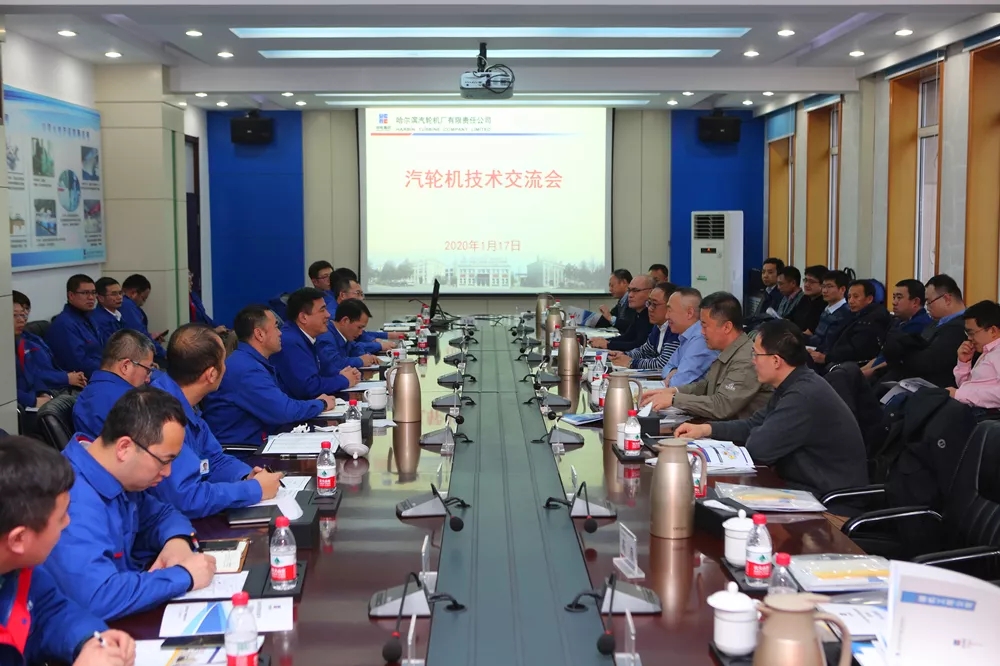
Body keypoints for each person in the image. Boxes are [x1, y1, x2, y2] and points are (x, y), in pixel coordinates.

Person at [41, 387, 217, 621]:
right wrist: (184, 575)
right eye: (163, 461)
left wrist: (177, 541)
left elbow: (162, 514)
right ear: (124, 448)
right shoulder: (71, 499)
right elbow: (98, 596)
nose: (167, 472)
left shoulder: (116, 474)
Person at [676, 319, 868, 504]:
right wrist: (706, 429)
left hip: (829, 502)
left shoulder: (802, 395)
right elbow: (753, 424)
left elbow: (759, 449)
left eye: (756, 354)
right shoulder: (793, 383)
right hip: (802, 489)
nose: (752, 361)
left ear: (776, 360)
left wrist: (759, 432)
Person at [0, 436, 137, 666]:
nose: (68, 523)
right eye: (61, 516)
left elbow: (52, 611)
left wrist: (91, 639)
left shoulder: (21, 566)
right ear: (19, 539)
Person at [150, 324, 284, 518]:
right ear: (211, 374)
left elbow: (214, 459)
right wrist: (253, 490)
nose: (226, 367)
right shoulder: (160, 414)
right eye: (224, 360)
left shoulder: (181, 399)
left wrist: (246, 476)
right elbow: (186, 498)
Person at [202, 305, 337, 446]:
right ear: (259, 334)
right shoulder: (246, 369)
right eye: (276, 327)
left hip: (262, 441)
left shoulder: (250, 361)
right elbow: (284, 411)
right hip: (244, 451)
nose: (280, 333)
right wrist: (321, 404)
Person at [641, 292, 771, 419]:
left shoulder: (746, 359)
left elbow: (722, 406)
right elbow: (706, 386)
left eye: (705, 326)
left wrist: (675, 399)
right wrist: (675, 391)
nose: (702, 332)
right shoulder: (727, 351)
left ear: (726, 327)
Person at [881, 274, 967, 388]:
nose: (927, 307)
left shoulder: (961, 327)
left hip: (936, 387)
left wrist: (902, 354)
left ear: (947, 299)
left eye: (929, 302)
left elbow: (928, 362)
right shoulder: (936, 323)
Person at [271, 288, 361, 398]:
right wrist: (344, 380)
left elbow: (325, 368)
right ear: (303, 317)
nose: (328, 315)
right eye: (322, 310)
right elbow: (307, 387)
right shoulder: (289, 342)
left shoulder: (308, 336)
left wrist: (341, 373)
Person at [73, 331, 155, 438]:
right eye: (147, 370)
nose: (148, 379)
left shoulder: (91, 392)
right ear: (126, 366)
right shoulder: (127, 402)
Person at [809, 279, 891, 369]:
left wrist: (826, 358)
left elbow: (856, 350)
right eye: (849, 297)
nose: (851, 301)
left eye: (856, 297)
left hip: (853, 366)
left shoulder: (872, 320)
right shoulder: (855, 315)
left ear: (869, 299)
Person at [861, 279, 933, 379]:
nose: (894, 302)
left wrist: (866, 373)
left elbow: (894, 360)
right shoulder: (898, 321)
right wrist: (860, 371)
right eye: (894, 297)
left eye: (899, 298)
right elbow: (882, 355)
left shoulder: (920, 325)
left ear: (915, 302)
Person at [607, 282, 679, 370]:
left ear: (670, 306)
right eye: (649, 303)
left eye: (655, 304)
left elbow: (664, 363)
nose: (650, 308)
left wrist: (631, 362)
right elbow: (644, 351)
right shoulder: (658, 326)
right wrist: (624, 355)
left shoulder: (676, 329)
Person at [46, 274, 103, 378]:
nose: (91, 297)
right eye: (85, 293)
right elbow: (79, 364)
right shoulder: (64, 324)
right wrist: (109, 370)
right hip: (83, 379)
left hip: (99, 372)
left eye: (93, 293)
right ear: (71, 295)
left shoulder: (89, 317)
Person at [329, 276, 403, 354]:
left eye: (362, 294)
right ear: (342, 295)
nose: (361, 298)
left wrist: (387, 336)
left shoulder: (344, 312)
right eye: (358, 293)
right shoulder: (333, 316)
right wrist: (377, 344)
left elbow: (359, 337)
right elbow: (354, 345)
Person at [661, 287, 719, 386]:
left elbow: (678, 383)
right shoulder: (686, 337)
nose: (666, 316)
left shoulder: (701, 338)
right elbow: (666, 368)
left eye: (670, 310)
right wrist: (673, 371)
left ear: (689, 313)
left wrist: (673, 375)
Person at [949, 300, 1000, 410]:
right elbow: (968, 388)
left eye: (971, 333)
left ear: (993, 331)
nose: (969, 338)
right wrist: (964, 363)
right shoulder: (987, 352)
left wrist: (959, 394)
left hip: (989, 414)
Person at [589, 275, 654, 352]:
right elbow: (627, 337)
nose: (630, 295)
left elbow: (640, 345)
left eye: (635, 290)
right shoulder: (639, 313)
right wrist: (605, 341)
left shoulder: (652, 315)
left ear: (651, 292)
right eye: (629, 290)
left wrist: (608, 344)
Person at [120, 274, 166, 359]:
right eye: (143, 298)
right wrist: (163, 353)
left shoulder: (126, 305)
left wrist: (150, 337)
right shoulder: (127, 306)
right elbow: (139, 335)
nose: (142, 303)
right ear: (133, 293)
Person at [806, 270, 851, 353]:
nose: (824, 291)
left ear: (842, 289)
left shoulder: (845, 313)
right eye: (823, 286)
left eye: (829, 287)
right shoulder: (827, 309)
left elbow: (829, 344)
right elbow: (817, 337)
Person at [746, 258, 785, 328]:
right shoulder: (767, 291)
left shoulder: (781, 294)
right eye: (763, 272)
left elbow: (768, 319)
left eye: (770, 272)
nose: (765, 276)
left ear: (779, 275)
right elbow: (757, 315)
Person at [91, 277, 125, 344]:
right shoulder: (98, 320)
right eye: (114, 294)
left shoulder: (118, 315)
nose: (119, 297)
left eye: (120, 293)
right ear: (100, 298)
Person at [798, 265, 829, 335]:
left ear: (823, 284)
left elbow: (810, 332)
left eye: (811, 282)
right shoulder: (805, 298)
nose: (806, 285)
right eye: (805, 280)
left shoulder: (823, 303)